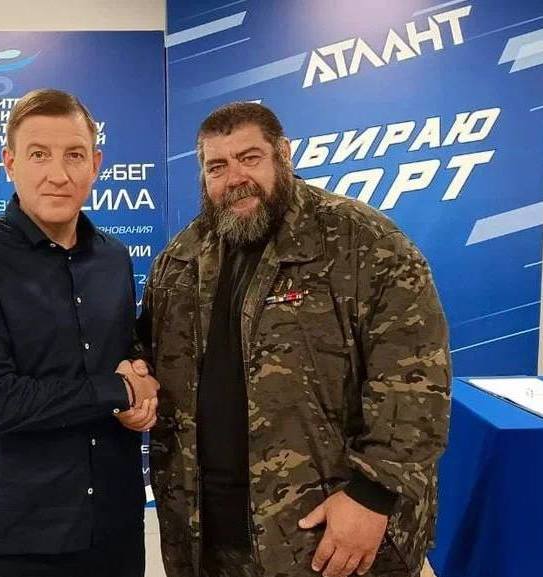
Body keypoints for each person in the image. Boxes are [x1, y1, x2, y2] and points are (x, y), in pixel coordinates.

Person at [138, 102, 451, 577]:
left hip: (325, 535)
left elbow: (416, 382)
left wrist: (373, 495)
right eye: (217, 166)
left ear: (283, 154)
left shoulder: (364, 243)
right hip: (206, 537)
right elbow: (148, 353)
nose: (235, 178)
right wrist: (130, 369)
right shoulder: (180, 259)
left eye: (250, 158)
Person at [0, 88, 158, 577]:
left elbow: (122, 355)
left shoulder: (114, 257)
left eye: (74, 155)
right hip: (14, 537)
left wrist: (139, 383)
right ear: (10, 163)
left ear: (95, 164)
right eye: (39, 155)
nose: (58, 174)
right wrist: (118, 391)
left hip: (113, 525)